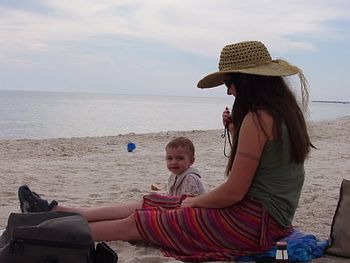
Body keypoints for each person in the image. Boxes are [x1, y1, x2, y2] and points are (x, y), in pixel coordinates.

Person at [17, 40, 313, 262]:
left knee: (142, 220)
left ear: (246, 80)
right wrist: (236, 132)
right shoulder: (282, 114)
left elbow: (234, 192)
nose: (229, 91)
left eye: (230, 82)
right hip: (265, 219)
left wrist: (192, 204)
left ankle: (49, 234)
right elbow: (263, 169)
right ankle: (59, 212)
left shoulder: (259, 117)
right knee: (152, 201)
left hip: (252, 224)